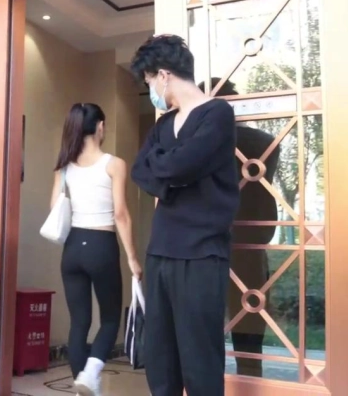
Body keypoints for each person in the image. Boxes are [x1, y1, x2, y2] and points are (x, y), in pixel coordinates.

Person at [130, 35, 239, 396]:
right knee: (160, 359)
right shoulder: (163, 125)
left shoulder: (217, 114)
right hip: (160, 250)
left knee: (200, 360)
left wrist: (169, 170)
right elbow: (140, 171)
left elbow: (181, 165)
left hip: (202, 253)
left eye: (149, 81)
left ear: (163, 75)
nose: (151, 90)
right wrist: (174, 174)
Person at [50, 103, 142, 396]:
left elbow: (54, 208)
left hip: (72, 248)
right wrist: (132, 258)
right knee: (111, 319)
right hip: (101, 246)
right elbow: (121, 215)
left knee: (79, 322)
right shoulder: (114, 164)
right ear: (100, 126)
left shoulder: (64, 166)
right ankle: (90, 375)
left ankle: (82, 386)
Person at [200, 78, 279, 378]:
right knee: (249, 320)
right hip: (252, 240)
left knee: (204, 323)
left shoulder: (205, 143)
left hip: (210, 239)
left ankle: (209, 382)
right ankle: (249, 378)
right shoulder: (265, 141)